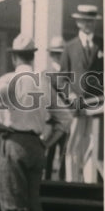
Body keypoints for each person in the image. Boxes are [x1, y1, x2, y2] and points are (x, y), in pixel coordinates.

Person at [0, 34, 72, 211]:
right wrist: (47, 143)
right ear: (32, 57)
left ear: (14, 58)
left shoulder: (9, 80)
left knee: (13, 204)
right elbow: (65, 118)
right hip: (36, 145)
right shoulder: (43, 82)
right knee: (33, 205)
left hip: (14, 141)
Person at [59, 5, 104, 183]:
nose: (88, 24)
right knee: (73, 145)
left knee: (93, 144)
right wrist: (69, 94)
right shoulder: (69, 47)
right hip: (76, 105)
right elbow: (62, 78)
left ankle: (89, 183)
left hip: (97, 104)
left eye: (91, 21)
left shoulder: (103, 44)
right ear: (78, 22)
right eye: (84, 20)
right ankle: (72, 183)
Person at [43, 35, 69, 181]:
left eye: (61, 53)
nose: (58, 56)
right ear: (51, 55)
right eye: (55, 53)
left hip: (65, 118)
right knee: (48, 151)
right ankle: (46, 180)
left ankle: (62, 180)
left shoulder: (68, 73)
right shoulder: (46, 73)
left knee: (64, 152)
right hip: (51, 119)